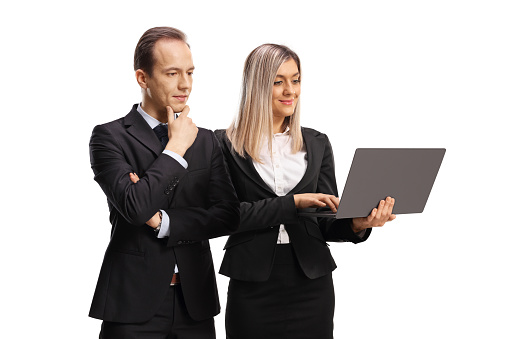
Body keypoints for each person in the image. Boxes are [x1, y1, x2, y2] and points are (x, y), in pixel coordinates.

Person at [214, 44, 396, 339]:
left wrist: (358, 224)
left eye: (295, 80)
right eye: (278, 81)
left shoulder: (316, 142)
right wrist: (293, 203)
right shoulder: (223, 145)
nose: (290, 91)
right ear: (257, 86)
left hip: (312, 282)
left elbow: (323, 219)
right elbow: (225, 216)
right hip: (252, 282)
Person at [88, 27, 239, 339]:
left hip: (193, 305)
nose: (185, 84)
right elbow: (134, 207)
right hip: (132, 306)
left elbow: (228, 215)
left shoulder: (207, 141)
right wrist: (175, 149)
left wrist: (164, 221)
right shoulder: (109, 137)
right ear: (143, 78)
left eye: (190, 73)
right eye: (172, 73)